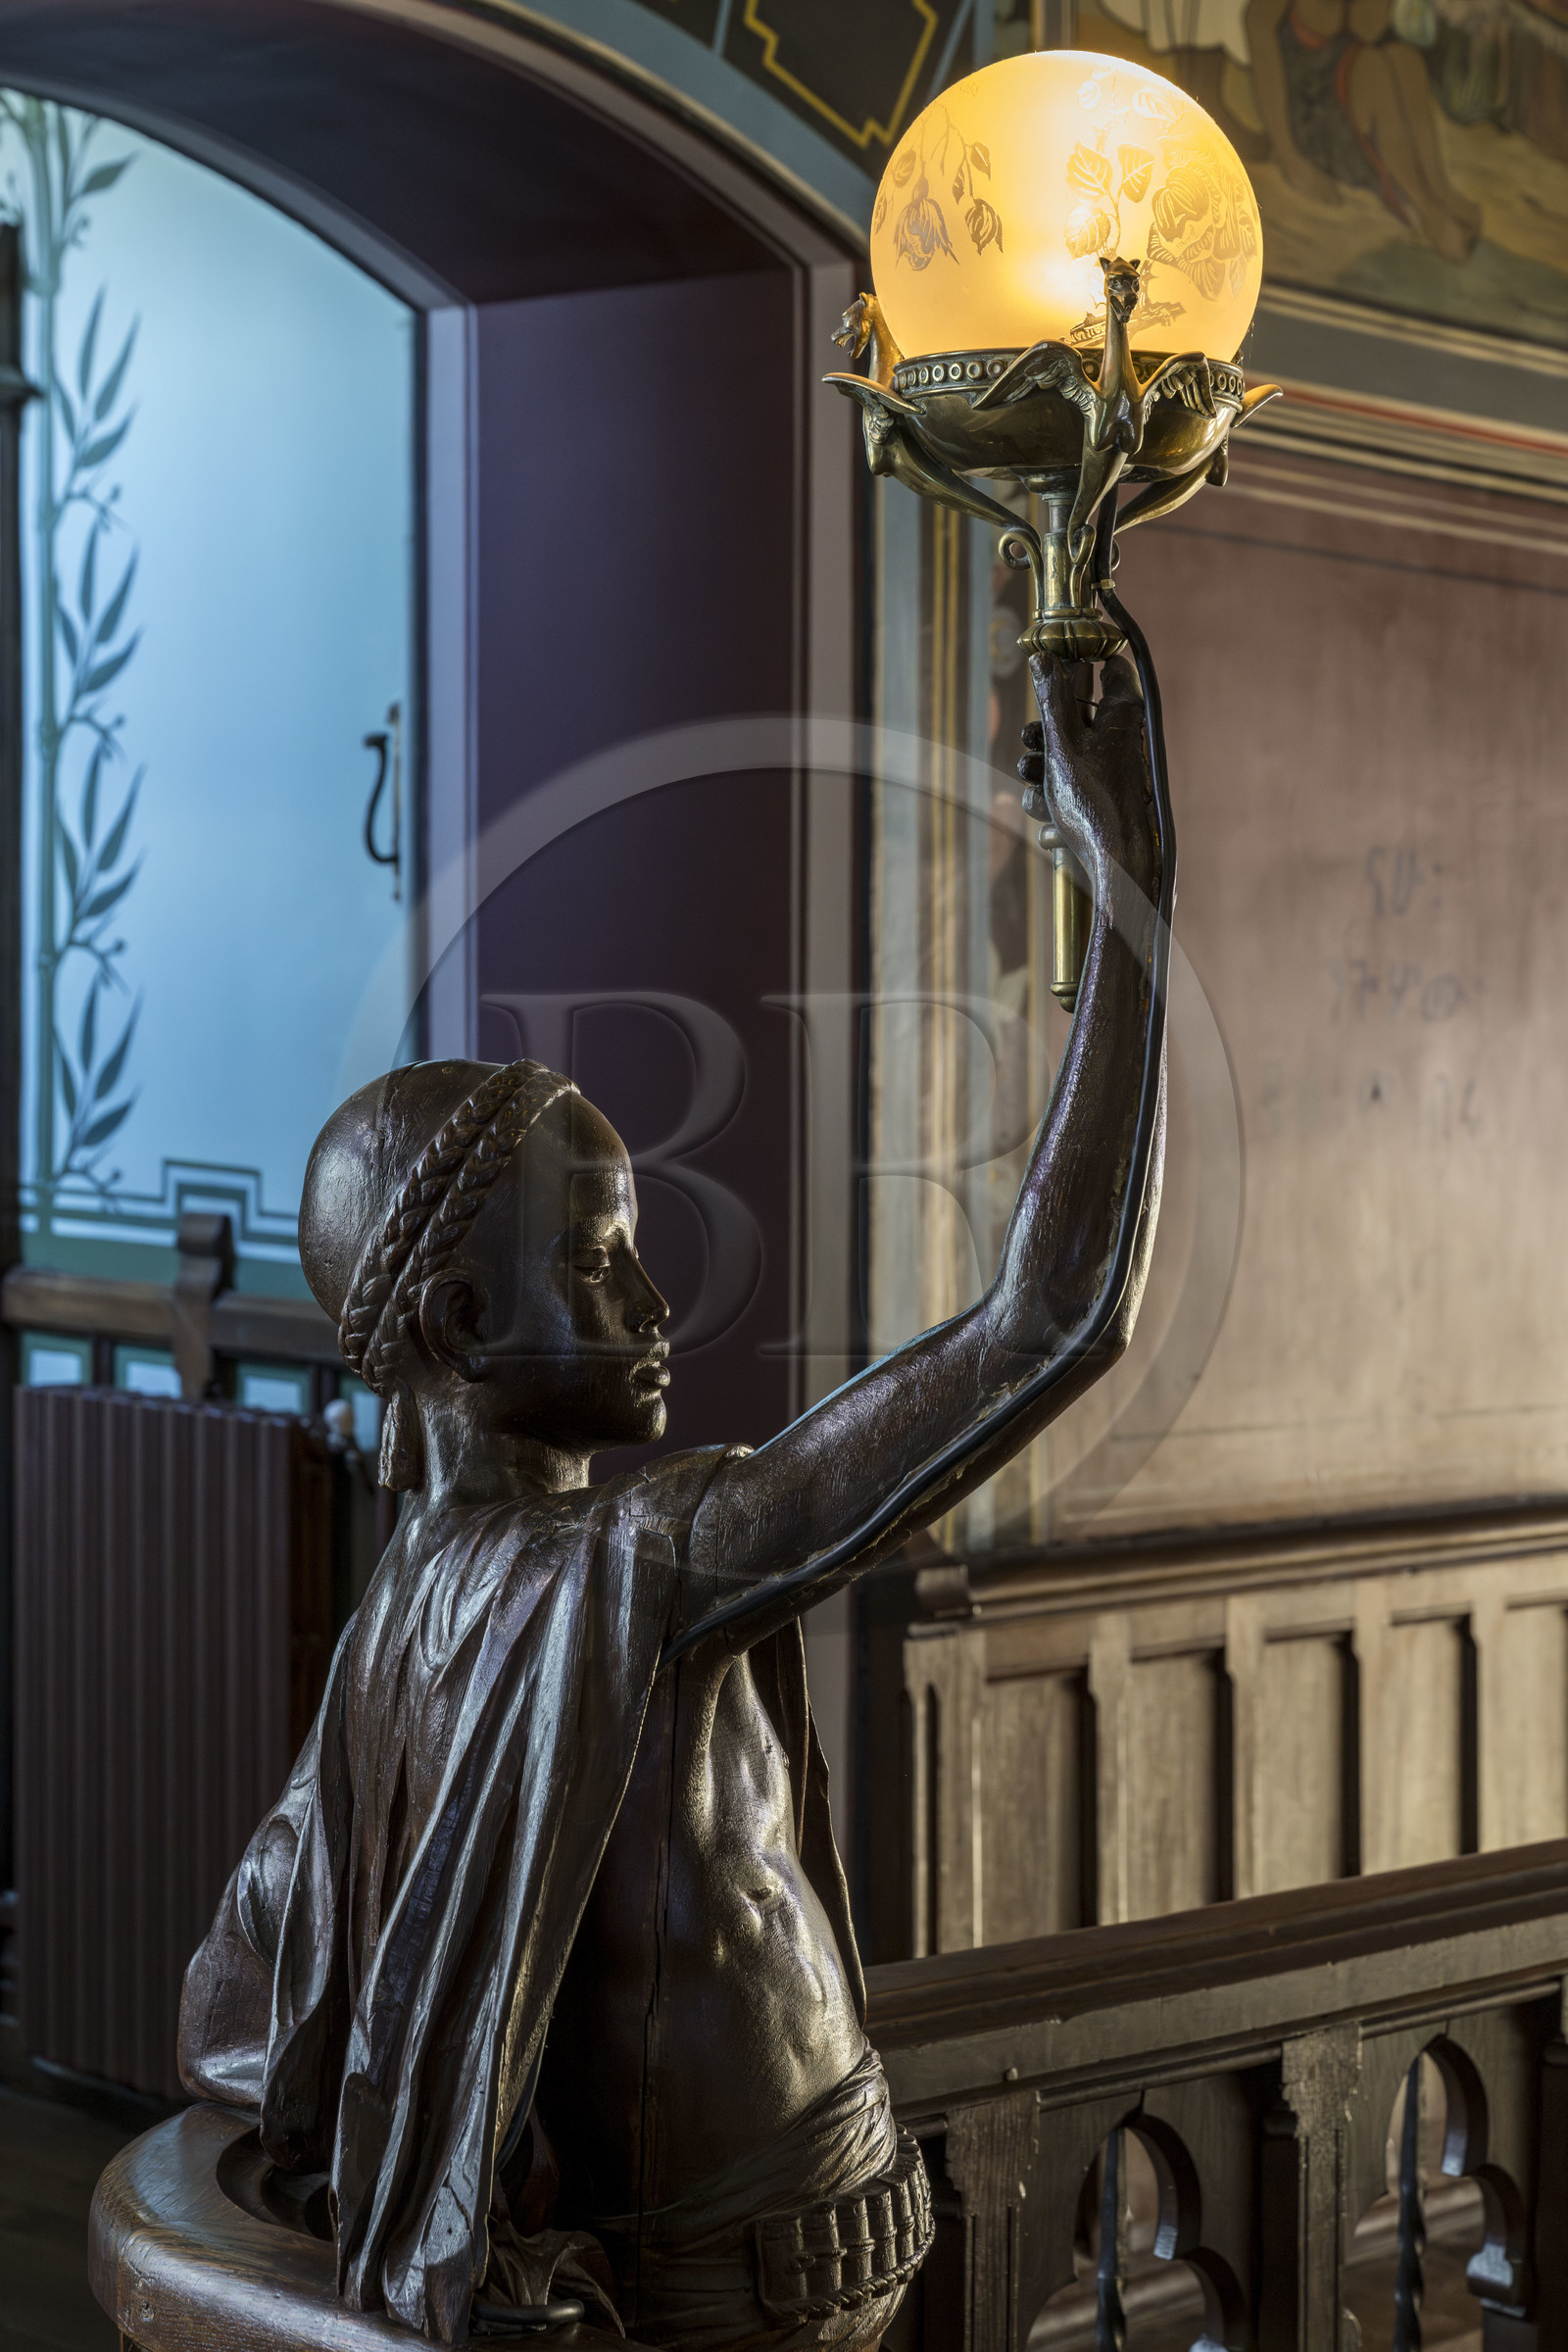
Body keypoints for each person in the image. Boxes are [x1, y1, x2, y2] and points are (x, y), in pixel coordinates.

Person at [176, 655, 1166, 2350]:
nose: (653, 1307)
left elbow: (242, 2007)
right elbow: (1052, 1318)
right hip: (746, 2278)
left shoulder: (399, 1622)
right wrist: (1131, 880)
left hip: (785, 2235)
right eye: (598, 1260)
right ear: (466, 1329)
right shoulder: (635, 1559)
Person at [1247, 0, 1483, 260]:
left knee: (1406, 59)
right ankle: (1427, 209)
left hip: (1345, 103)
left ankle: (1439, 188)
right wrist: (1291, 158)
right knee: (1373, 67)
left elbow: (1368, 31)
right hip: (1309, 121)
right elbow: (1257, 32)